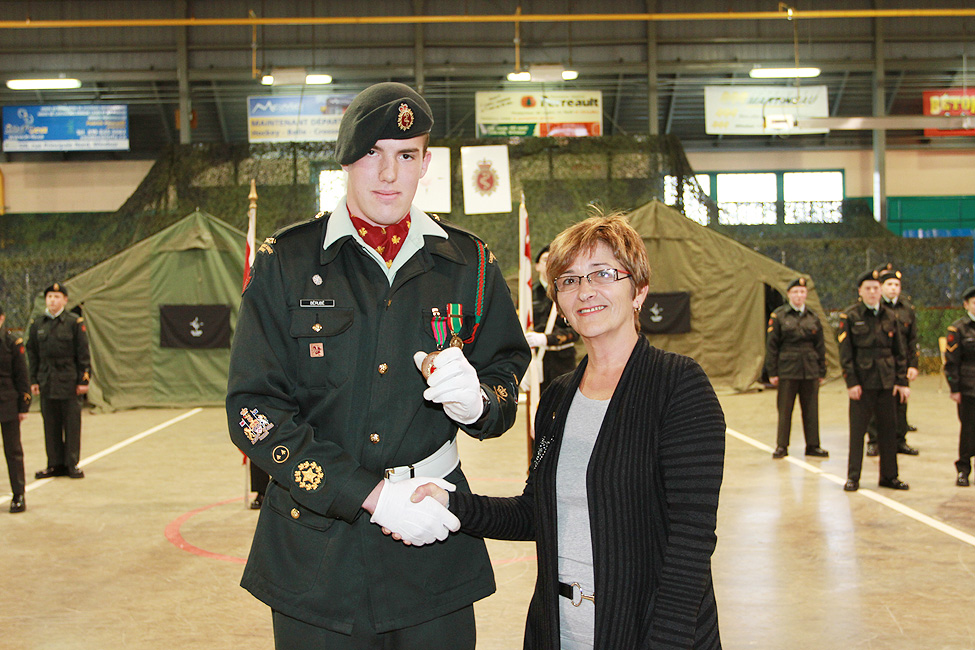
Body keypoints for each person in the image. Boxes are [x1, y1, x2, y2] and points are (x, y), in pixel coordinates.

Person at [226, 82, 530, 649]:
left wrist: (482, 401)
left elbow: (507, 374)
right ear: (345, 161)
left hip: (432, 541)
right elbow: (253, 411)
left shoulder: (470, 264)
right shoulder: (286, 264)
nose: (389, 174)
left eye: (405, 155)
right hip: (315, 551)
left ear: (426, 164)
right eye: (373, 153)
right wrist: (368, 494)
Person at [410, 211, 725, 649]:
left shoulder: (678, 386)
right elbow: (536, 512)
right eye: (569, 280)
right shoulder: (558, 397)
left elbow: (690, 544)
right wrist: (451, 504)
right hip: (560, 631)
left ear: (639, 291)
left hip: (646, 632)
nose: (585, 291)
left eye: (603, 274)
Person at [837, 270, 910, 492]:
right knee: (858, 432)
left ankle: (889, 476)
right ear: (860, 291)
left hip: (886, 383)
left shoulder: (890, 316)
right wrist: (851, 383)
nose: (872, 292)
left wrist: (902, 381)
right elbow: (846, 354)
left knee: (889, 431)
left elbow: (899, 351)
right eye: (867, 288)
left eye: (876, 288)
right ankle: (853, 477)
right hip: (862, 384)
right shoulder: (850, 317)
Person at [27, 283, 90, 480]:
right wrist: (34, 379)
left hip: (69, 381)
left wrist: (83, 379)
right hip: (47, 381)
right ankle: (54, 464)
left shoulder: (74, 322)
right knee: (50, 425)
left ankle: (71, 464)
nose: (52, 300)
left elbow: (83, 353)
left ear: (65, 300)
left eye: (56, 296)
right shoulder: (38, 324)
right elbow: (33, 353)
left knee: (71, 424)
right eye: (49, 297)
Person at [765, 277, 829, 459]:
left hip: (809, 368)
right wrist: (773, 372)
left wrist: (821, 370)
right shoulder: (779, 316)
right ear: (789, 295)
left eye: (802, 292)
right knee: (785, 409)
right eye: (795, 292)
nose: (799, 295)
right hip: (788, 369)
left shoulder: (813, 316)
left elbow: (820, 345)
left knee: (811, 409)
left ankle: (813, 445)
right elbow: (772, 346)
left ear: (806, 294)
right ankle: (782, 446)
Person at [866, 264, 920, 456]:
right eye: (889, 284)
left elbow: (912, 339)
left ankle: (899, 440)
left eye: (896, 284)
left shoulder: (907, 309)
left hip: (901, 362)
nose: (893, 288)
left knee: (901, 402)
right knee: (876, 402)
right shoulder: (876, 309)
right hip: (880, 363)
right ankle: (874, 440)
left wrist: (913, 365)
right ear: (881, 287)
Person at [525, 244, 579, 393]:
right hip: (536, 363)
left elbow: (576, 332)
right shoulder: (527, 295)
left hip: (562, 365)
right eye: (544, 260)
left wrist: (547, 339)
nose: (548, 264)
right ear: (537, 266)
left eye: (552, 260)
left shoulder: (569, 292)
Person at [943, 286, 975, 487]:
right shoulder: (959, 329)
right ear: (967, 305)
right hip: (968, 386)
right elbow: (951, 362)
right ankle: (963, 469)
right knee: (969, 429)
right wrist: (955, 388)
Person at [1, 304, 31, 513]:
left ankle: (18, 494)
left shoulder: (12, 343)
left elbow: (22, 376)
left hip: (7, 402)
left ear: (2, 319)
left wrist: (23, 405)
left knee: (13, 451)